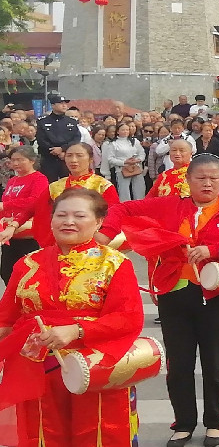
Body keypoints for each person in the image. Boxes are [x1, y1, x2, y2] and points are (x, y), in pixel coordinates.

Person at [101, 155, 219, 447]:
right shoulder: (170, 205)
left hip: (217, 297)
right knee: (179, 364)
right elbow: (122, 208)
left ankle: (215, 423)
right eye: (200, 178)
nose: (207, 183)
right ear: (188, 180)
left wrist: (213, 249)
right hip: (174, 293)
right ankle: (183, 423)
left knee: (215, 362)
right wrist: (106, 233)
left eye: (214, 177)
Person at [0, 188, 145, 447]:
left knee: (98, 432)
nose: (68, 221)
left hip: (95, 365)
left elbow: (128, 318)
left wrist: (76, 330)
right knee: (42, 433)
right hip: (36, 368)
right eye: (61, 215)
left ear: (98, 222)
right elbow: (6, 318)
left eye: (79, 215)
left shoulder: (114, 263)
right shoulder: (27, 263)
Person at [0, 147, 48, 282]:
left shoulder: (39, 178)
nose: (15, 164)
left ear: (32, 160)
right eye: (13, 160)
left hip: (28, 233)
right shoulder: (12, 180)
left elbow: (35, 201)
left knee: (27, 273)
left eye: (20, 160)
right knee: (6, 272)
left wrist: (5, 206)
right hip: (9, 234)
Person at [34, 94, 78, 181]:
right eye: (61, 103)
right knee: (49, 185)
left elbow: (76, 139)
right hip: (49, 159)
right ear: (53, 105)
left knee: (69, 184)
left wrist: (63, 149)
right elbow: (41, 140)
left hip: (67, 157)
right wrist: (55, 151)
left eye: (65, 103)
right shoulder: (43, 121)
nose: (64, 105)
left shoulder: (72, 121)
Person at [105, 122, 147, 202]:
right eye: (123, 130)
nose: (125, 132)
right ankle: (125, 208)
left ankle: (140, 206)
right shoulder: (114, 144)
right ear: (118, 131)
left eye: (127, 130)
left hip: (136, 167)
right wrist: (124, 162)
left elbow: (141, 152)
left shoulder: (135, 141)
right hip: (122, 169)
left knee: (140, 189)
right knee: (124, 191)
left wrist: (138, 159)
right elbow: (110, 159)